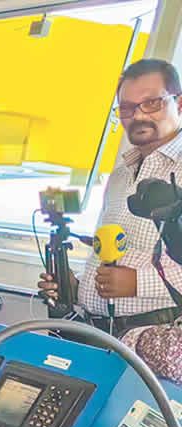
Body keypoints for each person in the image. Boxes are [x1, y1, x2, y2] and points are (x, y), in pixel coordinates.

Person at [38, 58, 182, 336]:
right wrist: (79, 284)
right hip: (99, 333)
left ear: (178, 103)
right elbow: (114, 252)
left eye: (152, 103)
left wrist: (138, 282)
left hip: (157, 342)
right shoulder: (119, 176)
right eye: (127, 108)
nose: (138, 115)